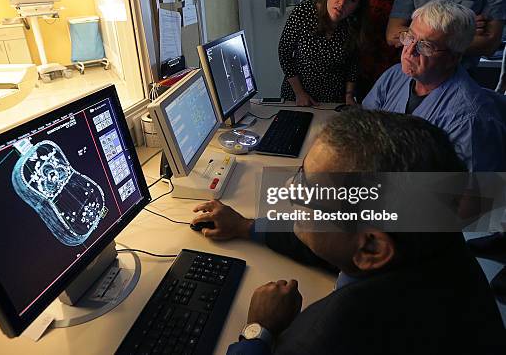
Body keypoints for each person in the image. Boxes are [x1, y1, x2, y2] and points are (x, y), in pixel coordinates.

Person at [190, 110, 504, 354]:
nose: (288, 190)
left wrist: (258, 331)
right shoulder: (432, 237)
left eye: (307, 190)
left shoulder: (323, 341)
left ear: (371, 249)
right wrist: (247, 226)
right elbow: (334, 239)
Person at [363, 0, 506, 171]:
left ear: (452, 58)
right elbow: (365, 130)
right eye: (410, 37)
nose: (409, 51)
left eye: (425, 46)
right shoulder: (394, 76)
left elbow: (470, 192)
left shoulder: (469, 118)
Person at [278, 0, 370, 106]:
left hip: (333, 101)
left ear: (357, 6)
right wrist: (299, 93)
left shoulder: (353, 24)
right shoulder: (303, 12)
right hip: (298, 97)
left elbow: (353, 63)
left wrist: (349, 95)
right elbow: (284, 52)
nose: (342, 2)